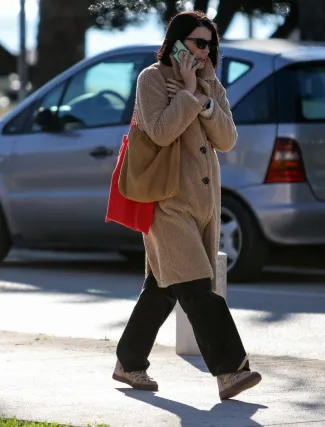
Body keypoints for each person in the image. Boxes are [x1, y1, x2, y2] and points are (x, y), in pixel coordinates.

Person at [112, 10, 262, 400]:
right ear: (177, 43)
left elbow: (227, 139)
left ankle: (129, 361)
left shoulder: (212, 84)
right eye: (198, 43)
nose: (205, 51)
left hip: (204, 203)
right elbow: (161, 132)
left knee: (162, 287)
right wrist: (188, 94)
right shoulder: (151, 79)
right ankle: (231, 370)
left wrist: (205, 99)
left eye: (210, 45)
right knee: (196, 285)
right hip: (166, 202)